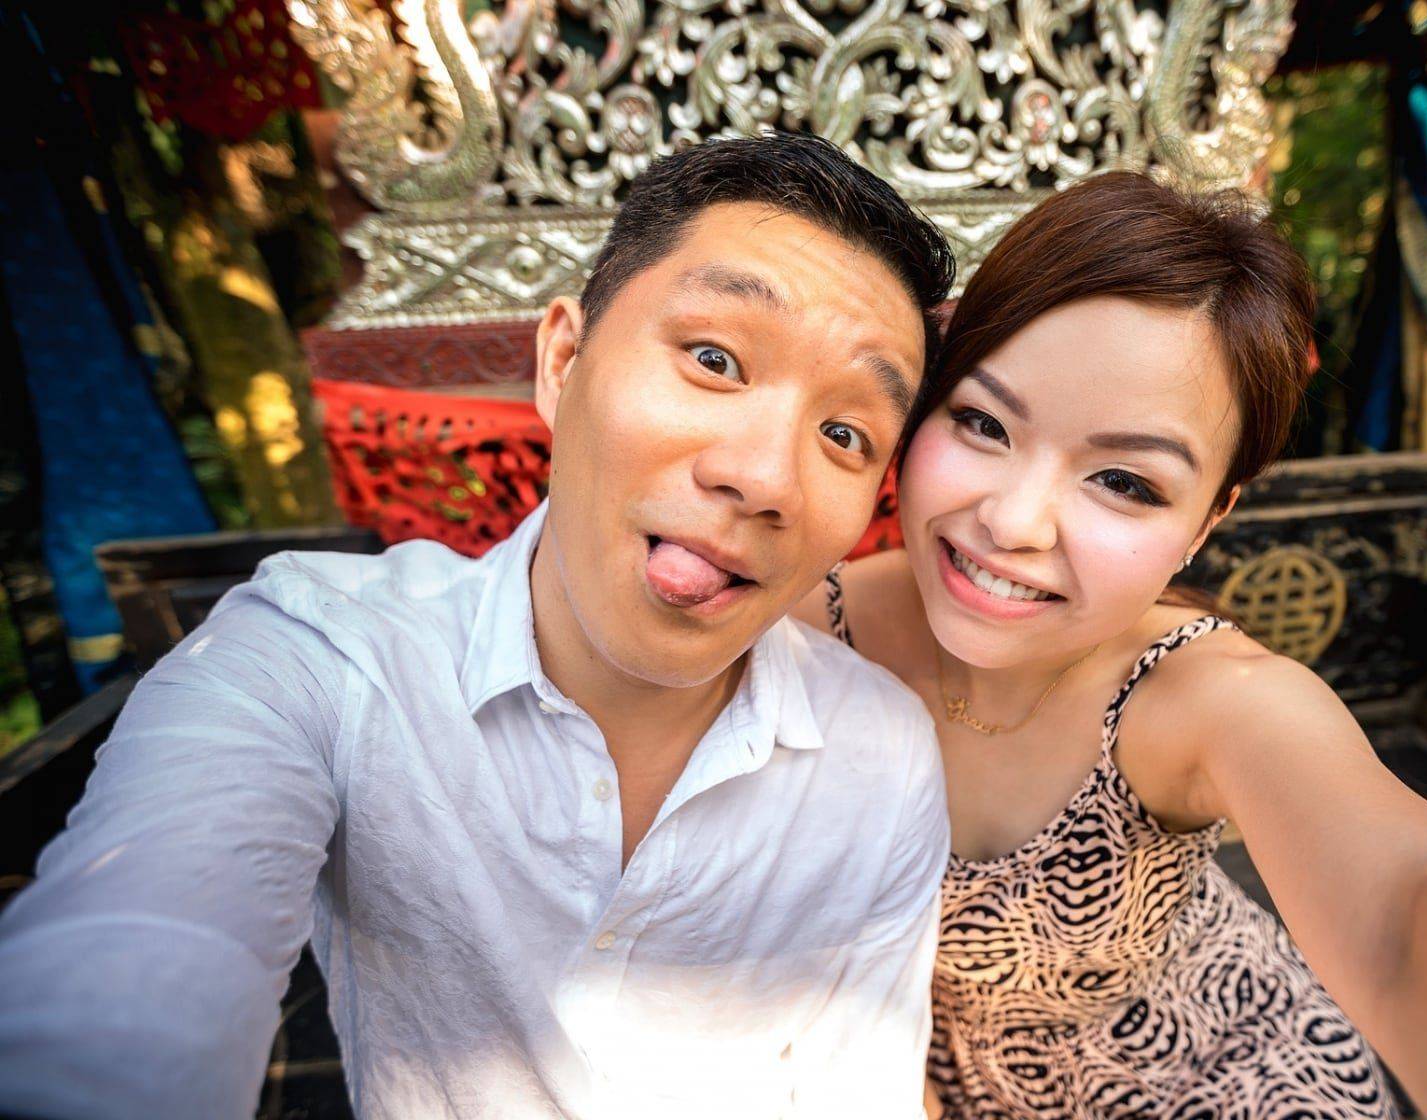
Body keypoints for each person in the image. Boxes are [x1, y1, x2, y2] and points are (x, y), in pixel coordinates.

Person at [0, 133, 957, 1119]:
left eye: (844, 433)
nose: (763, 478)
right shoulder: (320, 653)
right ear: (563, 361)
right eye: (713, 359)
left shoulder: (879, 755)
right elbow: (141, 957)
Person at [797, 171, 1427, 1120]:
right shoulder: (808, 624)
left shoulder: (1202, 698)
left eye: (1125, 482)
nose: (1014, 522)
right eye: (983, 423)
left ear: (1206, 521)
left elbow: (1415, 910)